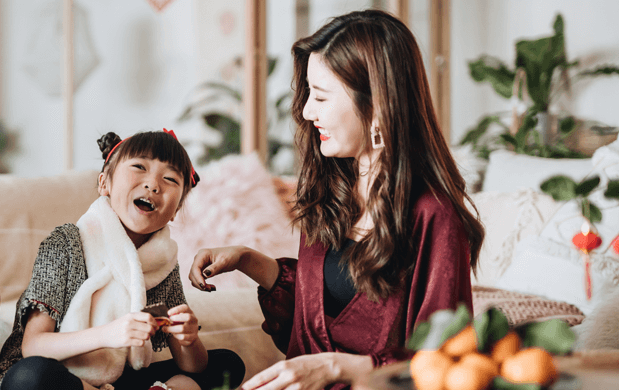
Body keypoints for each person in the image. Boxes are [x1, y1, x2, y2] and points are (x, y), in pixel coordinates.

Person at [188, 10, 485, 390]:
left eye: (322, 97)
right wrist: (249, 260)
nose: (308, 111)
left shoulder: (434, 217)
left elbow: (446, 361)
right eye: (309, 93)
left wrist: (335, 369)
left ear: (377, 104)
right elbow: (320, 318)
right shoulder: (331, 190)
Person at [0, 129, 245, 390]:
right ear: (104, 184)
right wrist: (110, 334)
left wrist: (189, 339)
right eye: (139, 167)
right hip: (56, 373)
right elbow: (34, 347)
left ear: (175, 210)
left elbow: (192, 366)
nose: (153, 184)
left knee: (227, 363)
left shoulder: (163, 261)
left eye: (169, 178)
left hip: (117, 378)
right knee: (29, 377)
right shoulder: (66, 243)